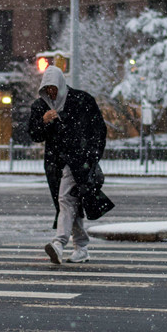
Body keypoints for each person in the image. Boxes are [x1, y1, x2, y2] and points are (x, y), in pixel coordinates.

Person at [28, 65, 114, 265]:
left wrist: (91, 156)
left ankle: (59, 243)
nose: (51, 92)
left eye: (53, 88)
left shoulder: (81, 100)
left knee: (65, 199)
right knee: (68, 203)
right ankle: (81, 247)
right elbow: (34, 135)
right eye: (47, 89)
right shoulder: (41, 107)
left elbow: (98, 130)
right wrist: (44, 122)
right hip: (55, 162)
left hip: (79, 160)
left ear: (61, 84)